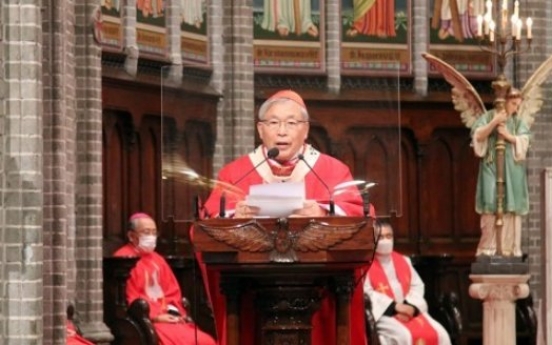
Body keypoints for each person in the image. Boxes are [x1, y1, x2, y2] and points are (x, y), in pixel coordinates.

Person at [200, 89, 370, 345]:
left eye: (291, 123)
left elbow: (360, 213)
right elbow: (209, 219)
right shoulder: (236, 173)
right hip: (251, 290)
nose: (282, 131)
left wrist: (323, 211)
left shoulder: (332, 170)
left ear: (305, 129)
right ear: (260, 129)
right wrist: (235, 214)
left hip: (320, 288)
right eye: (273, 123)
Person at [114, 213, 217, 345]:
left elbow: (172, 291)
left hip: (169, 317)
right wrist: (156, 316)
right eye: (146, 232)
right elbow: (130, 298)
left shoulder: (157, 259)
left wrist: (174, 311)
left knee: (206, 341)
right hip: (148, 320)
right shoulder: (124, 260)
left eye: (153, 232)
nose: (151, 237)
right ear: (131, 236)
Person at [364, 220, 452, 345]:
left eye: (389, 236)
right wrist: (395, 308)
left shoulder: (404, 260)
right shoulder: (366, 264)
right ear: (373, 239)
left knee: (440, 334)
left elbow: (417, 286)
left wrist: (410, 307)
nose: (386, 240)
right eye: (381, 237)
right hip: (385, 314)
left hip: (410, 310)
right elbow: (366, 293)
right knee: (404, 336)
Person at [471, 88, 530, 257]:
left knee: (511, 206)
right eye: (513, 104)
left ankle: (509, 248)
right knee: (490, 203)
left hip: (512, 171)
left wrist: (509, 136)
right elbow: (477, 136)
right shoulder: (489, 116)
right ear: (504, 101)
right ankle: (489, 248)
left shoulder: (517, 122)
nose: (516, 109)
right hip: (491, 166)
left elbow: (525, 140)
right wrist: (494, 122)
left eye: (518, 105)